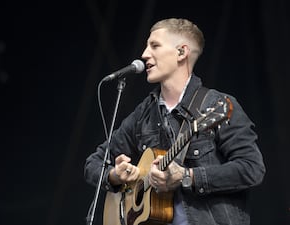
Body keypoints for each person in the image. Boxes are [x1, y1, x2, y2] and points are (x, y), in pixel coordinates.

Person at [84, 18, 266, 225]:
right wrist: (115, 176)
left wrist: (187, 176)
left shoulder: (217, 105)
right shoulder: (144, 114)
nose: (144, 55)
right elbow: (94, 163)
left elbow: (252, 169)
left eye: (154, 46)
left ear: (182, 52)